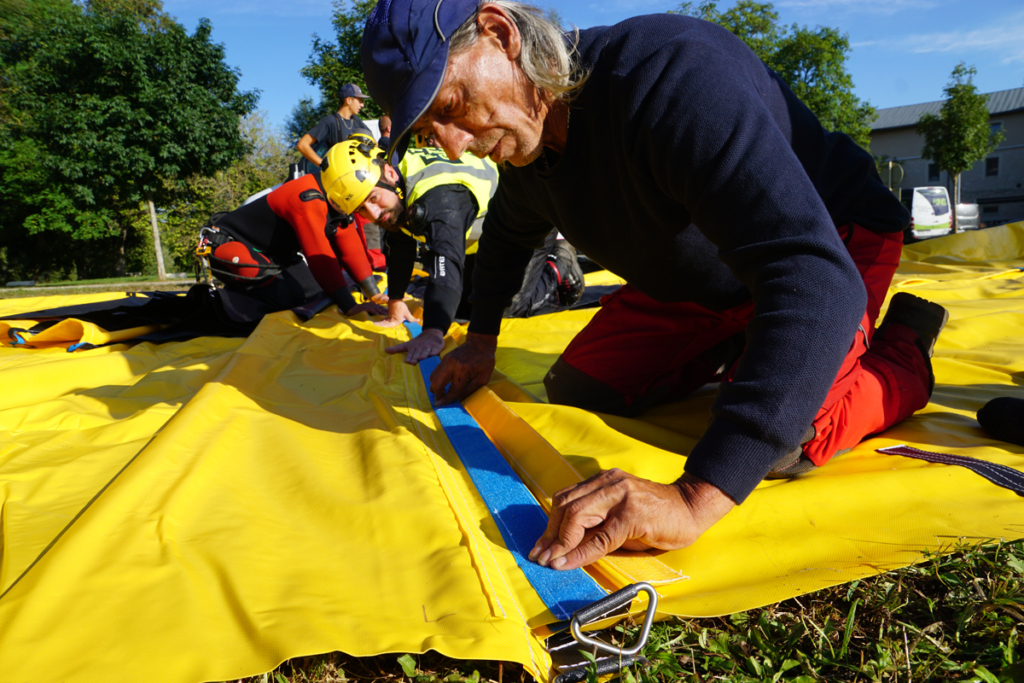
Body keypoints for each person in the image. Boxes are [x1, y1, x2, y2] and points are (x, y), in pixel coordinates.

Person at [361, 0, 950, 570]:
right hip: (703, 283)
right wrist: (481, 342)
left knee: (783, 437)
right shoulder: (530, 158)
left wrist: (695, 497)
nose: (455, 144)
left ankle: (902, 356)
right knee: (579, 389)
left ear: (501, 35)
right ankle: (741, 343)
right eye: (429, 129)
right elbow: (505, 242)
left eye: (453, 104)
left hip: (832, 244)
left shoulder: (668, 75)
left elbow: (810, 274)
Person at [319, 134, 584, 364]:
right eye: (361, 210)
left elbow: (446, 264)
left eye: (372, 199)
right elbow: (400, 242)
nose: (374, 213)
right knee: (464, 308)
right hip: (481, 239)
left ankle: (558, 266)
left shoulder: (438, 198)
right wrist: (396, 300)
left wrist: (433, 331)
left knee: (504, 306)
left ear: (388, 173)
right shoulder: (397, 184)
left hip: (527, 226)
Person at [197, 158, 386, 319]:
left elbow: (349, 247)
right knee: (287, 297)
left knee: (313, 295)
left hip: (276, 254)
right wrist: (351, 307)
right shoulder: (308, 196)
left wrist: (374, 294)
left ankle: (259, 290)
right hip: (231, 244)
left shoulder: (339, 195)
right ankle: (225, 302)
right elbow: (319, 254)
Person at [295, 83, 373, 174]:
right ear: (348, 100)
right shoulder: (330, 122)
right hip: (339, 178)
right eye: (359, 101)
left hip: (359, 178)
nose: (362, 105)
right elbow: (302, 145)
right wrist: (323, 165)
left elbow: (374, 142)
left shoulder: (357, 121)